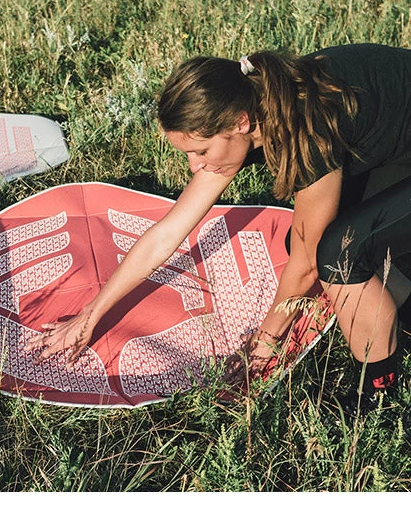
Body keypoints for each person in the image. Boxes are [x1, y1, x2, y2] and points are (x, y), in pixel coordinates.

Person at [26, 43, 411, 413]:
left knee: (338, 254)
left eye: (201, 151)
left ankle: (378, 399)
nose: (195, 166)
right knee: (310, 241)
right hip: (395, 150)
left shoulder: (306, 130)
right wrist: (89, 316)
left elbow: (309, 266)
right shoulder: (250, 108)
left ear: (240, 123)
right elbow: (167, 233)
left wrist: (264, 344)